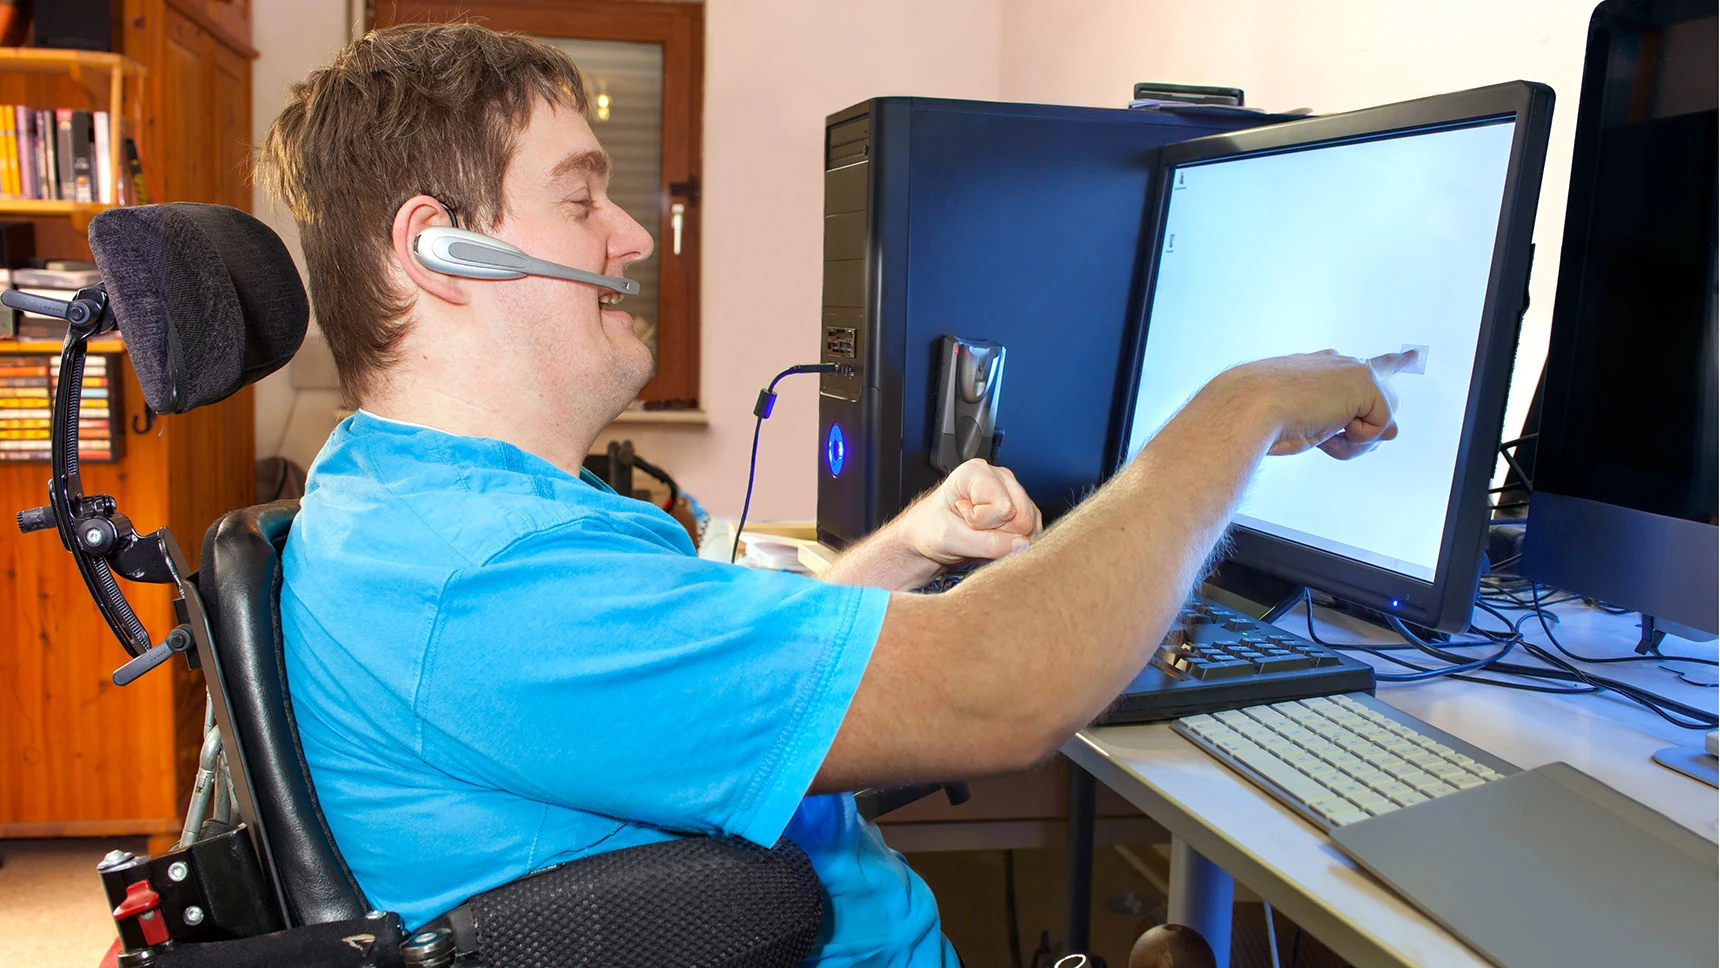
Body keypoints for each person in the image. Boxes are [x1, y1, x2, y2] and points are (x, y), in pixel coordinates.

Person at [259, 23, 1413, 967]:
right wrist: (1242, 406)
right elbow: (1003, 691)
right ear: (443, 249)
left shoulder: (405, 501)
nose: (627, 235)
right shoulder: (489, 582)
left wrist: (908, 543)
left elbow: (700, 683)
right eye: (579, 200)